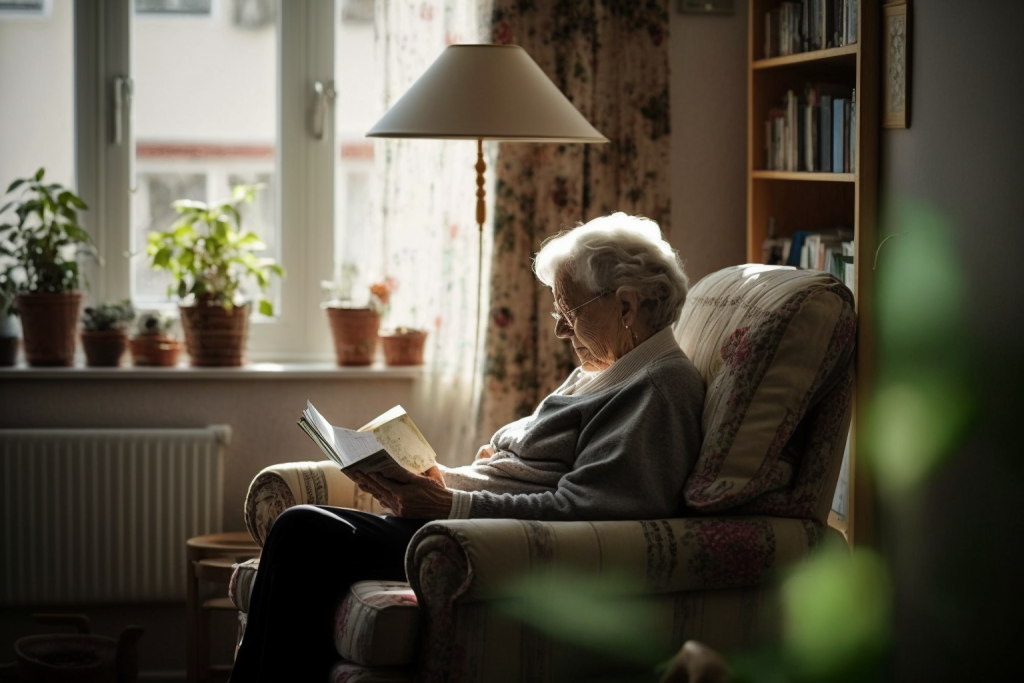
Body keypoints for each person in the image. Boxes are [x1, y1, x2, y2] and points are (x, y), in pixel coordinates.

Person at [229, 213, 706, 682]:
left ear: (626, 306)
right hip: (462, 521)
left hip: (488, 545)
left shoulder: (659, 387)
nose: (561, 330)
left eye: (570, 312)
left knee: (302, 532)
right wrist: (435, 479)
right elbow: (533, 472)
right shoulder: (605, 367)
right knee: (304, 539)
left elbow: (594, 510)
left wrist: (453, 502)